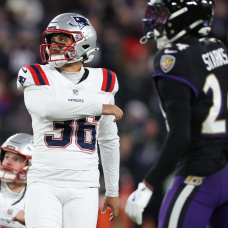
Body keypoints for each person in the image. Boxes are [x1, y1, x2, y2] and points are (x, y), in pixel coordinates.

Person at [125, 0, 228, 227]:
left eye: (163, 16)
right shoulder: (217, 46)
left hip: (197, 178)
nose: (156, 22)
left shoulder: (172, 59)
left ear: (184, 18)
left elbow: (180, 136)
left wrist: (147, 185)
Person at [17, 13, 123, 228]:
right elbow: (48, 109)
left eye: (62, 39)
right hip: (45, 182)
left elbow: (108, 140)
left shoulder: (104, 80)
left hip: (85, 185)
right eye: (51, 39)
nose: (54, 45)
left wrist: (112, 190)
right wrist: (98, 107)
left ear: (84, 42)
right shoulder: (36, 74)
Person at [0, 133, 33, 228]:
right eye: (6, 157)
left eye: (17, 160)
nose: (8, 162)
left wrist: (33, 224)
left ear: (29, 166)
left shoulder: (38, 196)